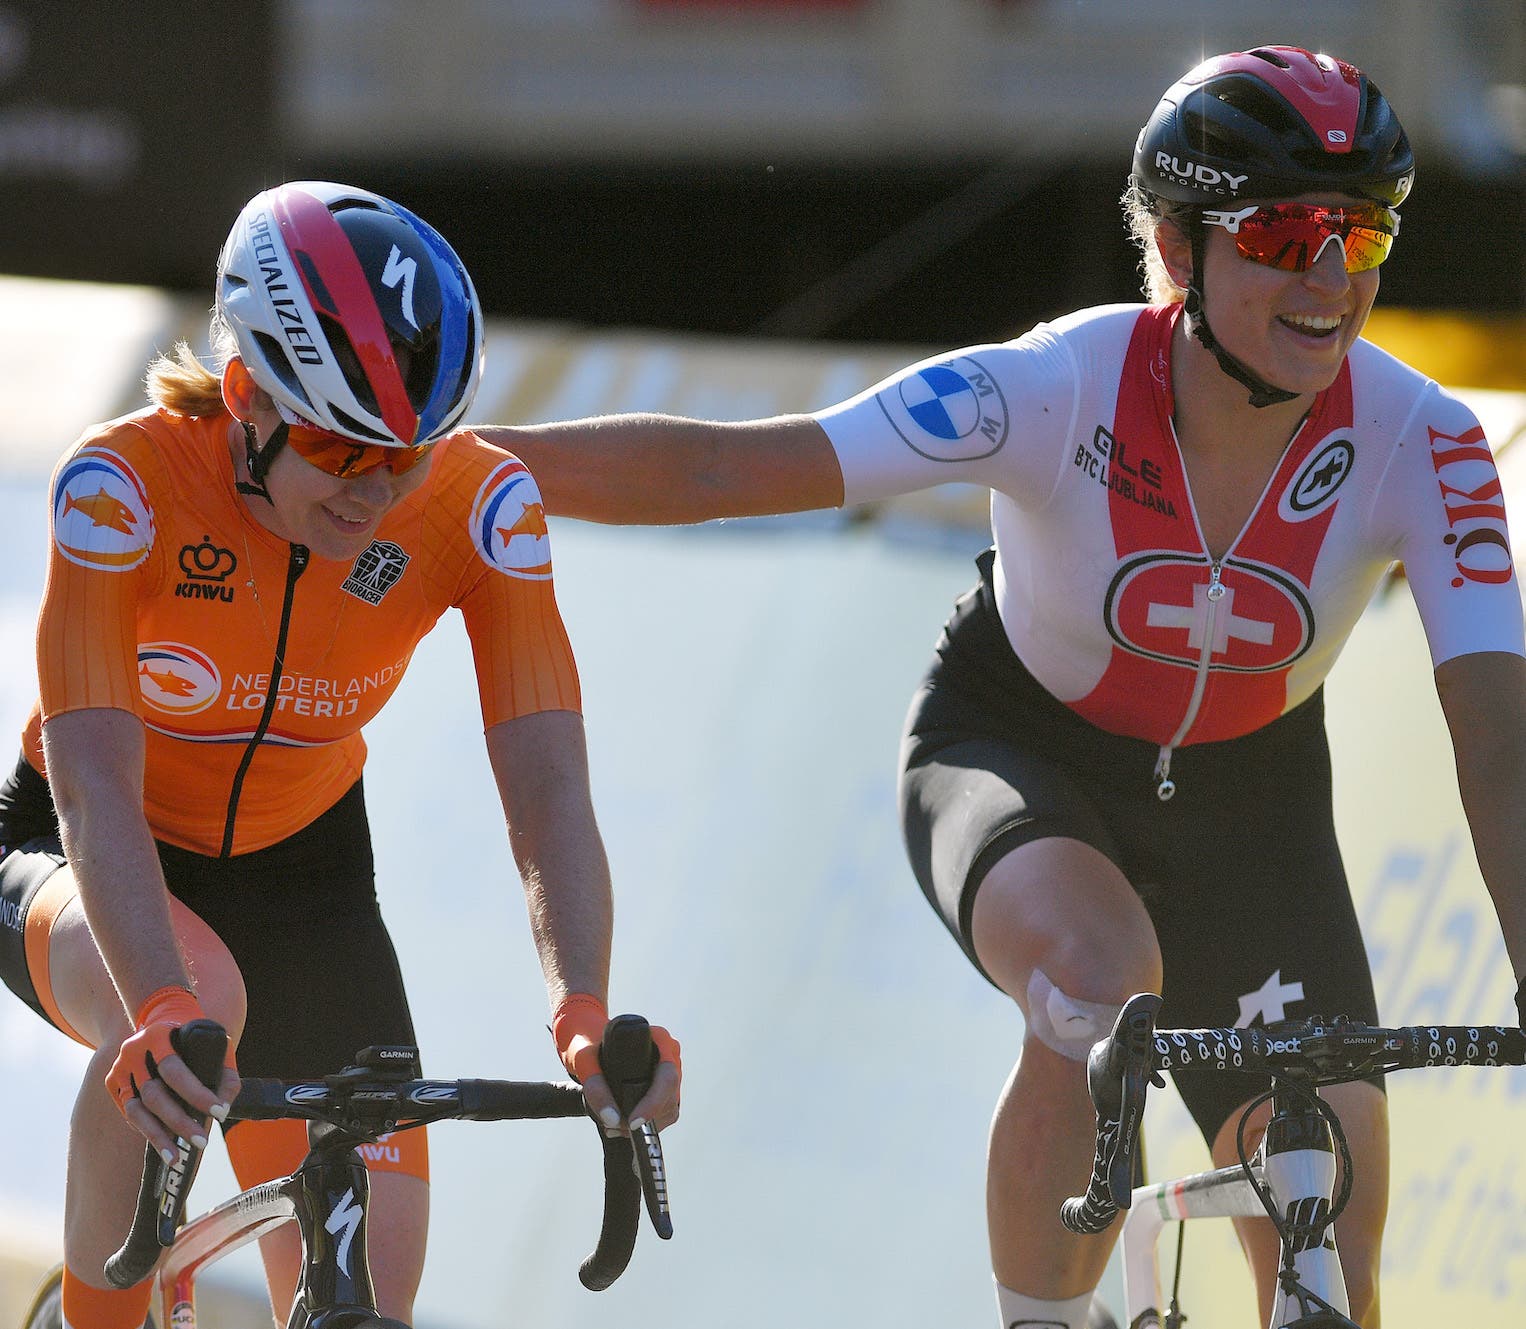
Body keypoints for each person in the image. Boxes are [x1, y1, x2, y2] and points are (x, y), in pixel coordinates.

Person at [486, 46, 1526, 1329]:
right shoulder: (1054, 386)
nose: (1331, 280)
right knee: (1097, 981)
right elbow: (725, 471)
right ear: (1179, 249)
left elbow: (1496, 739)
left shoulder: (1422, 443)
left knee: (1328, 1213)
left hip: (1251, 806)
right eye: (1284, 232)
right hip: (1020, 749)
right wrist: (440, 462)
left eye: (1361, 236)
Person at [0, 180, 680, 1329]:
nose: (372, 491)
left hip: (305, 879)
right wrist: (160, 996)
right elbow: (94, 781)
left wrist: (583, 1012)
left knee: (372, 1300)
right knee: (195, 994)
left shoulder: (476, 506)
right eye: (335, 448)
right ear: (245, 394)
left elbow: (547, 784)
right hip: (81, 855)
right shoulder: (122, 487)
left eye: (404, 458)